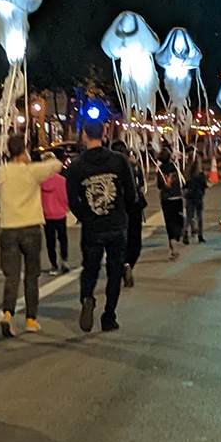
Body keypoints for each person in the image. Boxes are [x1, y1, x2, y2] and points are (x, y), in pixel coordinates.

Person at [66, 119, 135, 332]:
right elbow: (131, 192)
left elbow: (72, 199)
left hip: (93, 226)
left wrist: (85, 215)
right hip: (116, 223)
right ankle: (109, 316)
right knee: (114, 271)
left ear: (84, 135)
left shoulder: (77, 166)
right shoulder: (118, 161)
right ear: (104, 134)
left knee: (90, 268)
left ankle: (87, 297)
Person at [0, 134, 63, 337]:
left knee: (11, 276)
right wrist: (39, 159)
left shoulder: (1, 172)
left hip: (8, 227)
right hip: (31, 227)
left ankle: (7, 314)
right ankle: (31, 319)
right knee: (32, 275)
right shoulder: (32, 171)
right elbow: (56, 165)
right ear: (24, 151)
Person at [110, 140, 146, 287]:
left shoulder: (110, 166)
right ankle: (129, 263)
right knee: (135, 238)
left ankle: (121, 264)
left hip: (117, 206)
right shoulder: (133, 164)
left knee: (118, 240)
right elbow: (140, 183)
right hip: (134, 206)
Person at [40, 151, 70, 276]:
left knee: (50, 241)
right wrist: (66, 208)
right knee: (63, 238)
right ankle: (64, 260)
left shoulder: (40, 182)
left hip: (47, 215)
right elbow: (65, 197)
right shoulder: (62, 180)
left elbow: (39, 199)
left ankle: (53, 264)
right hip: (60, 213)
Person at [156, 148, 185, 258]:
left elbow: (159, 185)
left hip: (166, 198)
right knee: (178, 218)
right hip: (177, 196)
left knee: (169, 221)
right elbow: (182, 181)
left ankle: (172, 241)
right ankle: (178, 235)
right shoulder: (176, 167)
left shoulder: (160, 170)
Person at [183, 155, 208, 244]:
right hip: (198, 197)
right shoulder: (200, 174)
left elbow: (183, 186)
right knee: (199, 217)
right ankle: (200, 235)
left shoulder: (186, 174)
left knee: (189, 216)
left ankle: (185, 232)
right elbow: (204, 185)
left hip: (189, 197)